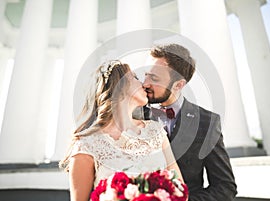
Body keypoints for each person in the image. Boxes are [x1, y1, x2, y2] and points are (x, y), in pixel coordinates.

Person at [59, 60, 184, 201]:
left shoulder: (156, 132)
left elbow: (179, 190)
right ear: (120, 86)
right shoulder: (86, 146)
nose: (143, 84)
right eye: (135, 78)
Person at [142, 43, 237, 201]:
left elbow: (225, 188)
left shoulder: (207, 122)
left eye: (154, 78)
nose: (145, 83)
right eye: (146, 74)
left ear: (179, 85)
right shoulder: (133, 115)